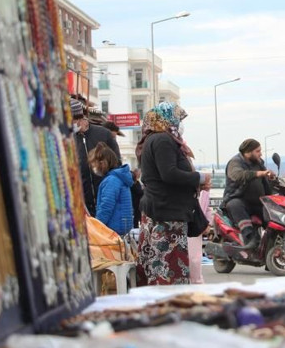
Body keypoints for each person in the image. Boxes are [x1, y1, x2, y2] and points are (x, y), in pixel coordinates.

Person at [135, 102, 204, 285]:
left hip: (160, 210)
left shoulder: (153, 139)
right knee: (168, 269)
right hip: (167, 214)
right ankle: (168, 304)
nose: (180, 124)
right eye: (178, 119)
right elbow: (169, 173)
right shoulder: (163, 140)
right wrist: (199, 178)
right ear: (167, 120)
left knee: (158, 265)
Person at [222, 139, 276, 249]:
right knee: (235, 204)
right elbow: (238, 175)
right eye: (258, 151)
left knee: (273, 217)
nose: (260, 153)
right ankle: (250, 237)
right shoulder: (235, 162)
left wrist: (270, 177)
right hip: (239, 199)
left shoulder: (258, 163)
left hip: (258, 201)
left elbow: (265, 177)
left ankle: (275, 241)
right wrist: (258, 174)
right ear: (248, 151)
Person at [72, 98, 121, 216]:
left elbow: (117, 163)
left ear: (80, 118)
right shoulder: (69, 139)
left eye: (71, 120)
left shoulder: (104, 134)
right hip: (82, 205)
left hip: (106, 202)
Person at [87, 143, 133, 235]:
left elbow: (106, 207)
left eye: (94, 165)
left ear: (102, 163)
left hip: (113, 228)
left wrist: (97, 226)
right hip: (121, 226)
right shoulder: (119, 177)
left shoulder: (111, 180)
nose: (93, 168)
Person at [188, 173, 213, 284]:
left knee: (196, 258)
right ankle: (195, 282)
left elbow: (207, 208)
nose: (210, 185)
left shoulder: (206, 194)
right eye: (208, 182)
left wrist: (208, 224)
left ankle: (197, 281)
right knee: (193, 258)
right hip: (191, 225)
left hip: (199, 226)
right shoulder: (192, 193)